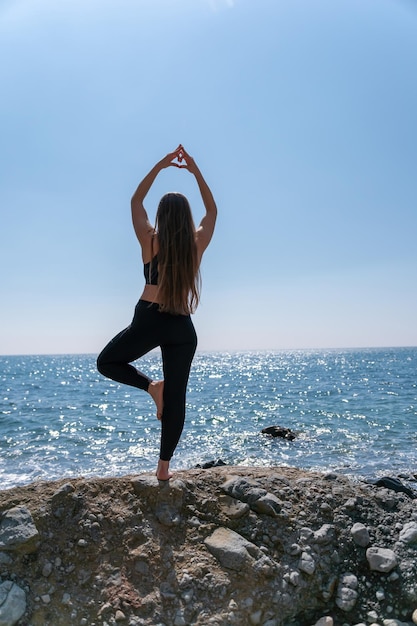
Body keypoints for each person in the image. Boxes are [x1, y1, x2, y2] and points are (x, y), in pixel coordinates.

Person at [97, 145, 217, 481]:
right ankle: (163, 469)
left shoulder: (150, 241)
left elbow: (136, 201)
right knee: (177, 398)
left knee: (106, 362)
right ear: (186, 217)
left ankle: (151, 388)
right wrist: (195, 170)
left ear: (162, 217)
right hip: (182, 327)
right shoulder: (197, 244)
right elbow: (212, 211)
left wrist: (162, 165)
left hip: (149, 318)